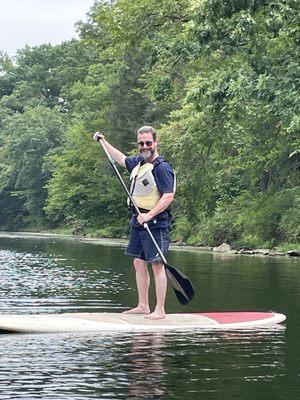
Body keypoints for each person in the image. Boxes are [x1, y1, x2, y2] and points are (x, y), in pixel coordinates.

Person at [93, 126, 175, 319]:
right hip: (138, 221)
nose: (145, 146)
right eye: (141, 143)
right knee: (138, 262)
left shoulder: (162, 167)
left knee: (157, 264)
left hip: (155, 222)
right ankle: (143, 305)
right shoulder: (138, 162)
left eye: (148, 143)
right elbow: (120, 159)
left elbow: (168, 196)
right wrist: (103, 141)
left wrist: (149, 215)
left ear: (155, 142)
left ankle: (160, 310)